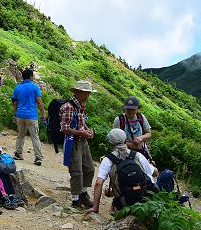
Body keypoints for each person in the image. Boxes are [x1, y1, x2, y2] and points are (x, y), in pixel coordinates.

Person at [88, 128, 158, 213]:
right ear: (125, 140)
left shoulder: (108, 160)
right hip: (145, 200)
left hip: (124, 203)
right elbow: (154, 173)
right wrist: (154, 167)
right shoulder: (137, 155)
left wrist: (95, 208)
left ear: (110, 143)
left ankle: (115, 209)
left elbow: (99, 183)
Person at [59, 80, 96, 208]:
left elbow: (81, 121)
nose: (87, 96)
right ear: (78, 92)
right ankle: (75, 200)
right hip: (72, 142)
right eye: (85, 93)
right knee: (77, 172)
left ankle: (83, 194)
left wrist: (87, 130)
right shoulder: (68, 107)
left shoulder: (82, 105)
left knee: (90, 168)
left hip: (82, 140)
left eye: (88, 94)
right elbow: (64, 128)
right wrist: (81, 133)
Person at [12, 68, 46, 165]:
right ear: (31, 76)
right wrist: (43, 114)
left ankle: (18, 154)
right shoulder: (35, 87)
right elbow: (39, 101)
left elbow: (15, 103)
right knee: (35, 136)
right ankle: (38, 157)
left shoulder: (17, 88)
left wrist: (15, 114)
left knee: (20, 135)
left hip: (20, 115)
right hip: (31, 116)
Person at [113, 96, 153, 161]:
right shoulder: (119, 120)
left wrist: (141, 137)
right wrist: (131, 145)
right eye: (128, 109)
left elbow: (148, 133)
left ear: (137, 109)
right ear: (125, 108)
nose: (130, 112)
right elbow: (115, 140)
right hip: (124, 152)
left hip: (141, 150)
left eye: (133, 109)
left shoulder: (141, 117)